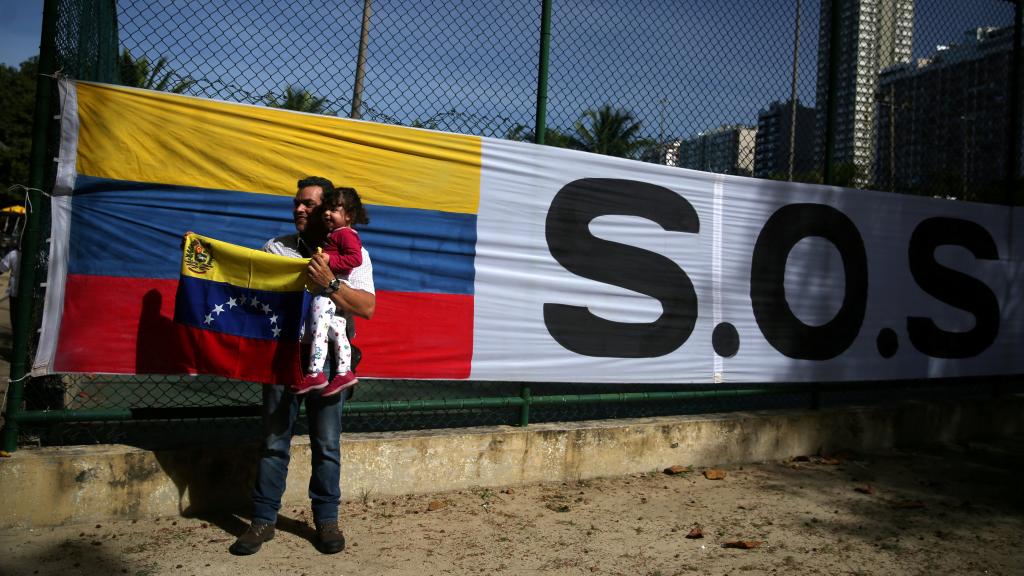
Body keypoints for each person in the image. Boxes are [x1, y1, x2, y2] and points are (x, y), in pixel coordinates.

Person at [230, 176, 375, 556]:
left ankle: (326, 521)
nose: (299, 209)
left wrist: (330, 283)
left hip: (325, 364)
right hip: (281, 359)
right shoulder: (276, 249)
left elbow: (366, 307)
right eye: (297, 203)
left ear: (328, 211)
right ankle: (263, 521)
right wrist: (201, 258)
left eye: (309, 204)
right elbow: (247, 293)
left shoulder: (351, 250)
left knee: (326, 444)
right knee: (275, 442)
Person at [293, 186, 369, 395]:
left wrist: (329, 259)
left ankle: (315, 372)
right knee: (337, 330)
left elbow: (355, 259)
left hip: (328, 293)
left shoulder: (344, 234)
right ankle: (344, 372)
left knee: (318, 330)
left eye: (334, 209)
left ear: (349, 215)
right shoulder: (337, 234)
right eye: (326, 209)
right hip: (333, 298)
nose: (327, 213)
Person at [0, 248, 20, 336]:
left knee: (15, 317)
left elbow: (2, 268)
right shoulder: (37, 252)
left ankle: (16, 336)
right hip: (32, 293)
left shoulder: (14, 254)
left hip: (15, 291)